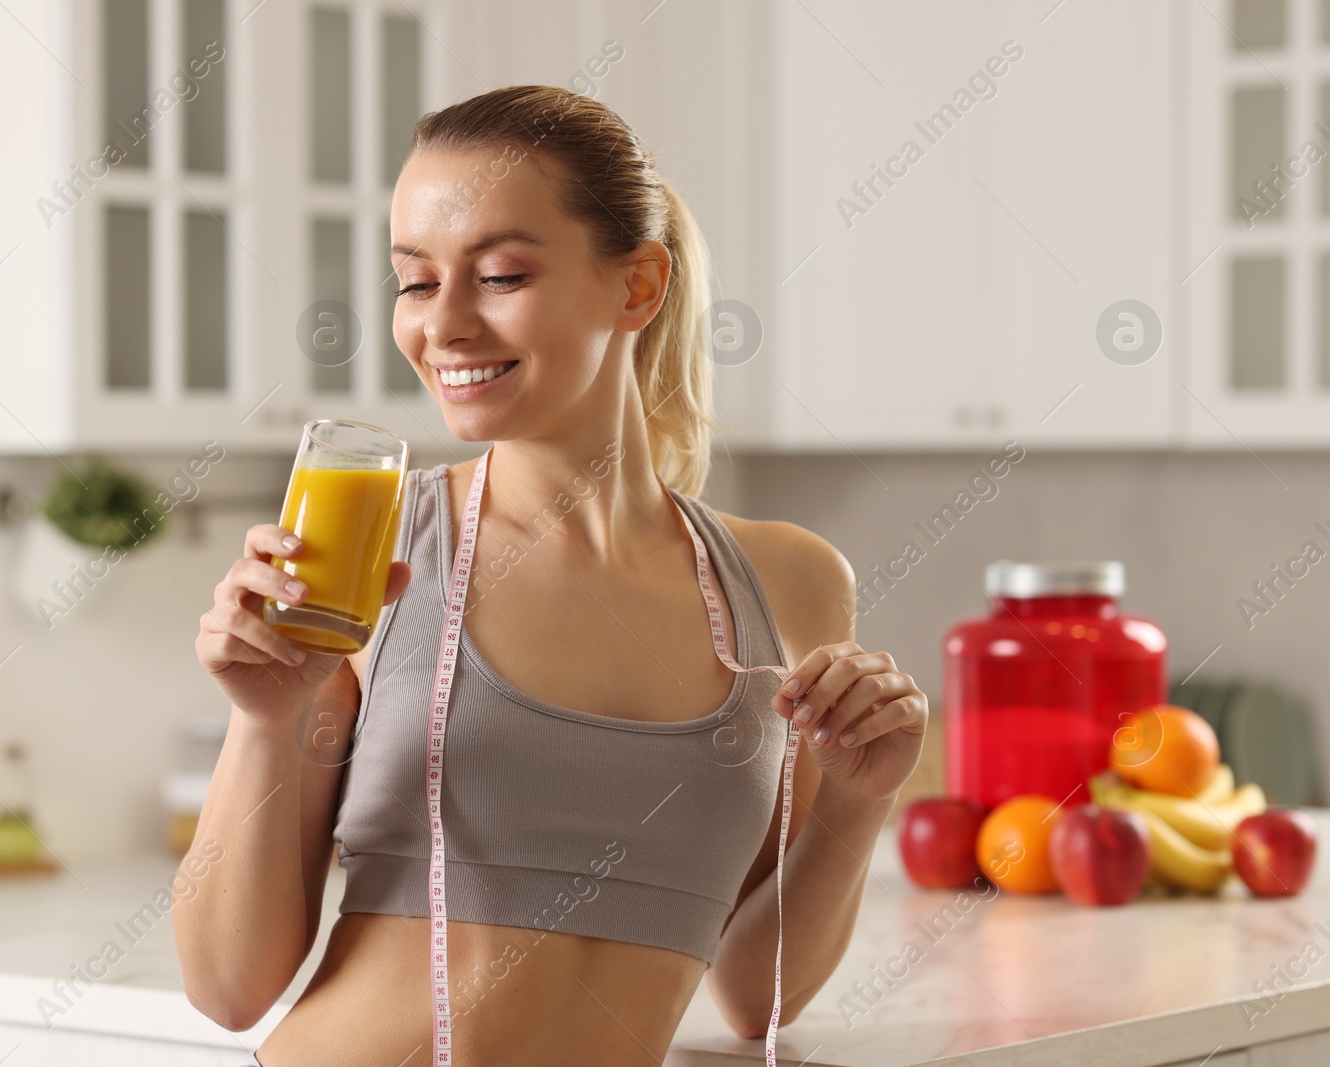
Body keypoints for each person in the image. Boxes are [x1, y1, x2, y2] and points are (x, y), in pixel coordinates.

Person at [174, 84, 929, 1066]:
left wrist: (861, 799)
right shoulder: (372, 554)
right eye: (413, 280)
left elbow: (753, 994)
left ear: (637, 287)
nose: (441, 326)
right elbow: (228, 991)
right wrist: (265, 719)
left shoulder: (783, 582)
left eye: (497, 275)